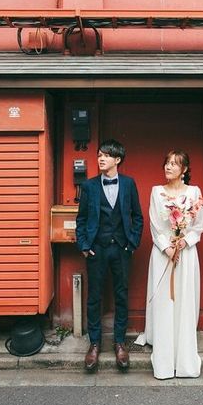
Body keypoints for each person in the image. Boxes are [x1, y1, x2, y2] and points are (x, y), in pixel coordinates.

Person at [135, 150, 203, 379]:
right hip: (163, 253)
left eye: (174, 164)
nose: (168, 167)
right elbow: (156, 224)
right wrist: (167, 247)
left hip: (185, 254)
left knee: (184, 300)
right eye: (166, 162)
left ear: (184, 169)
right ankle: (164, 356)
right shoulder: (157, 192)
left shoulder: (194, 193)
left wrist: (184, 242)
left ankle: (184, 356)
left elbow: (199, 225)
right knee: (165, 302)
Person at [75, 139, 143, 372]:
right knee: (94, 297)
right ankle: (94, 343)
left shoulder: (129, 184)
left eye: (106, 155)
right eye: (99, 155)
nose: (101, 159)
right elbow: (81, 219)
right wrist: (84, 245)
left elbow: (137, 217)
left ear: (118, 160)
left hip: (122, 249)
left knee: (121, 295)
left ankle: (119, 342)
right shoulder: (89, 186)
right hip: (97, 249)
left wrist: (132, 243)